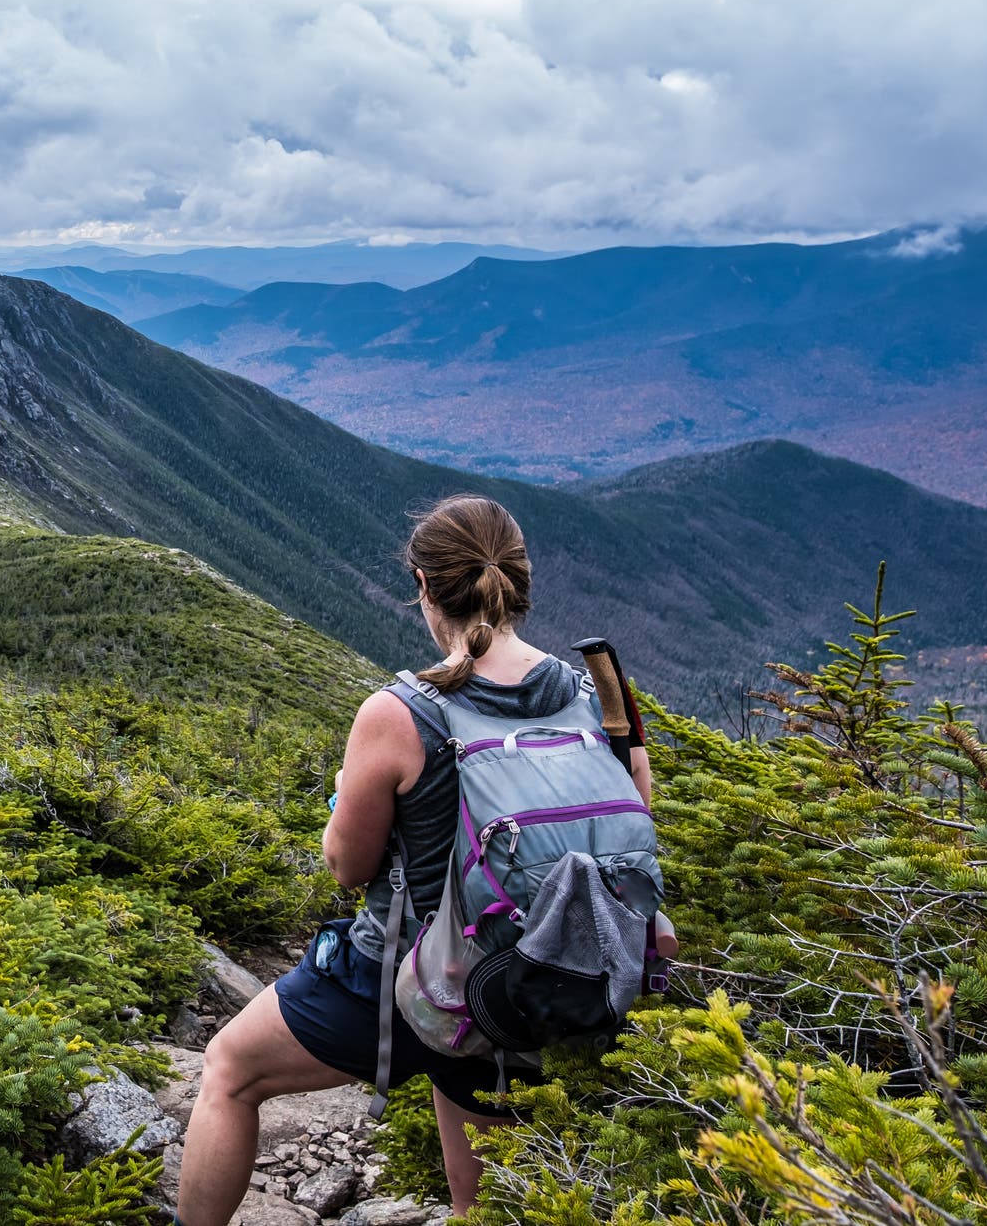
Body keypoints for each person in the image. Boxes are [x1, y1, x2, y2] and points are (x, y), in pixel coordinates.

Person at [175, 494, 655, 1224]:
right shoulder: (603, 696)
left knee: (230, 1072)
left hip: (391, 981)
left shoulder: (401, 712)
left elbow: (348, 867)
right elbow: (635, 829)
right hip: (522, 981)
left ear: (425, 587)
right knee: (478, 1204)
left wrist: (345, 801)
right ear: (520, 582)